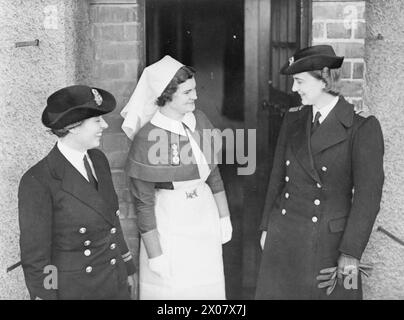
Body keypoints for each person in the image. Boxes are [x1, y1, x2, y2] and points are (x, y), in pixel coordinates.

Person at [255, 45, 384, 300]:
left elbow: (367, 200)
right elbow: (277, 178)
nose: (294, 89)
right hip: (284, 237)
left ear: (324, 78)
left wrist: (351, 253)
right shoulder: (293, 119)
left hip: (331, 246)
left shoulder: (362, 128)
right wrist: (267, 227)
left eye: (300, 81)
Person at [121, 55, 233, 299]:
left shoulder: (199, 120)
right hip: (170, 223)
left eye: (194, 90)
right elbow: (144, 203)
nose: (195, 96)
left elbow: (213, 174)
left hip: (204, 217)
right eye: (187, 92)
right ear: (166, 95)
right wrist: (155, 253)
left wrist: (224, 216)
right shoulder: (147, 138)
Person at [18, 85, 136, 300]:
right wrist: (46, 296)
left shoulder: (98, 160)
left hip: (114, 281)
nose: (105, 125)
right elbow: (37, 257)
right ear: (73, 127)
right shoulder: (39, 180)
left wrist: (127, 268)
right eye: (97, 121)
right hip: (76, 291)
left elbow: (112, 220)